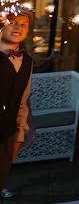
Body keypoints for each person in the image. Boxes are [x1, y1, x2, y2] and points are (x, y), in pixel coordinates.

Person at [0, 12, 33, 195]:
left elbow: (22, 101)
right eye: (12, 22)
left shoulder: (27, 62)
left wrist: (20, 133)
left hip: (7, 134)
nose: (18, 27)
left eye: (23, 24)